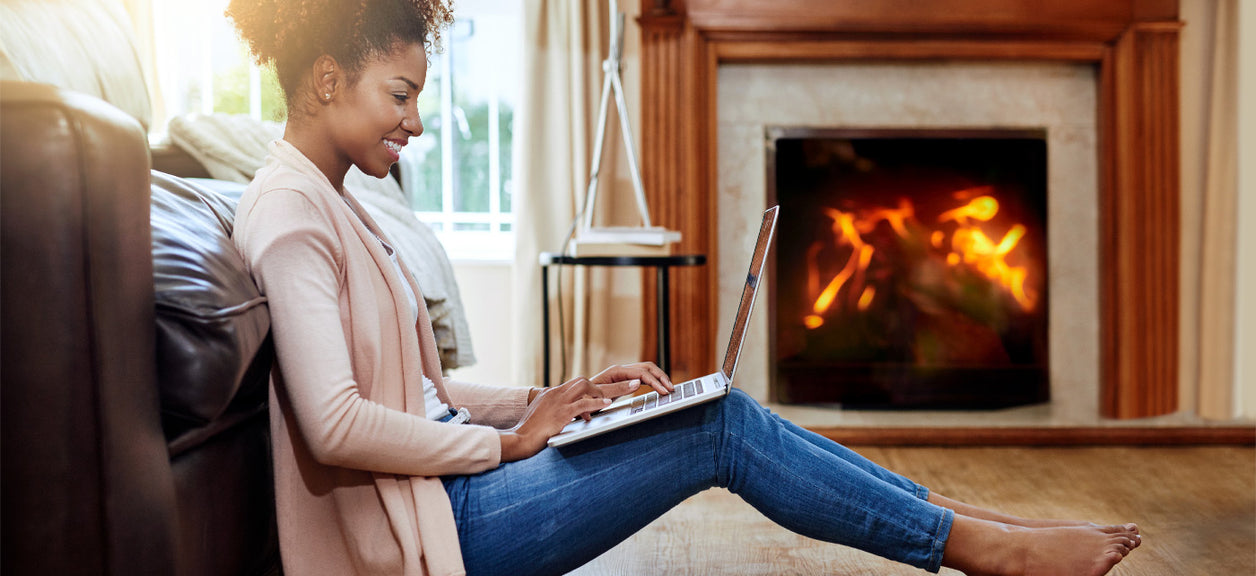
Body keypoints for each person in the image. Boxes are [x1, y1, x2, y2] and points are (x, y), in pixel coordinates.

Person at [226, 1, 1141, 575]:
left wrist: (553, 400)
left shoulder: (340, 203)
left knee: (706, 400)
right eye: (399, 95)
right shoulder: (291, 215)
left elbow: (418, 392)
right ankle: (982, 548)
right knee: (717, 424)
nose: (417, 122)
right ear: (326, 77)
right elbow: (336, 423)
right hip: (439, 527)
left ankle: (970, 525)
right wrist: (509, 449)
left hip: (452, 486)